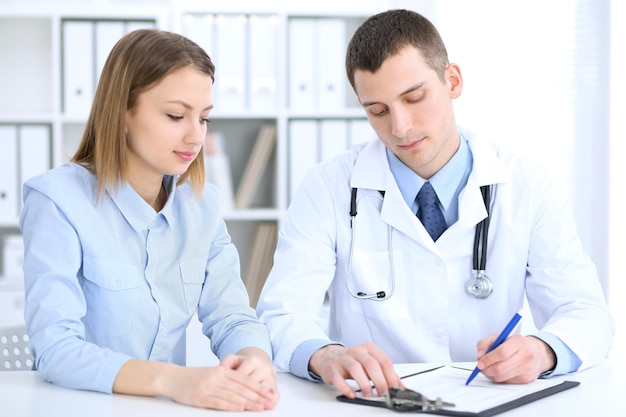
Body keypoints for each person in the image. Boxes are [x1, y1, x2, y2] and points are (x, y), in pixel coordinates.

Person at [256, 9, 614, 400]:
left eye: (415, 97)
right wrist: (324, 356)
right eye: (377, 110)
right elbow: (281, 314)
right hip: (373, 404)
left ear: (452, 80)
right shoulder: (328, 187)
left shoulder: (528, 185)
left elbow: (586, 313)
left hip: (492, 399)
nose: (400, 127)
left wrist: (543, 351)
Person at [20, 29, 279, 412]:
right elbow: (56, 349)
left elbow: (232, 315)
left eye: (204, 118)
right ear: (122, 112)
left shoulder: (202, 204)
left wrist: (255, 359)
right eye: (176, 115)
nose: (196, 137)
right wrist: (174, 380)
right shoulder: (58, 201)